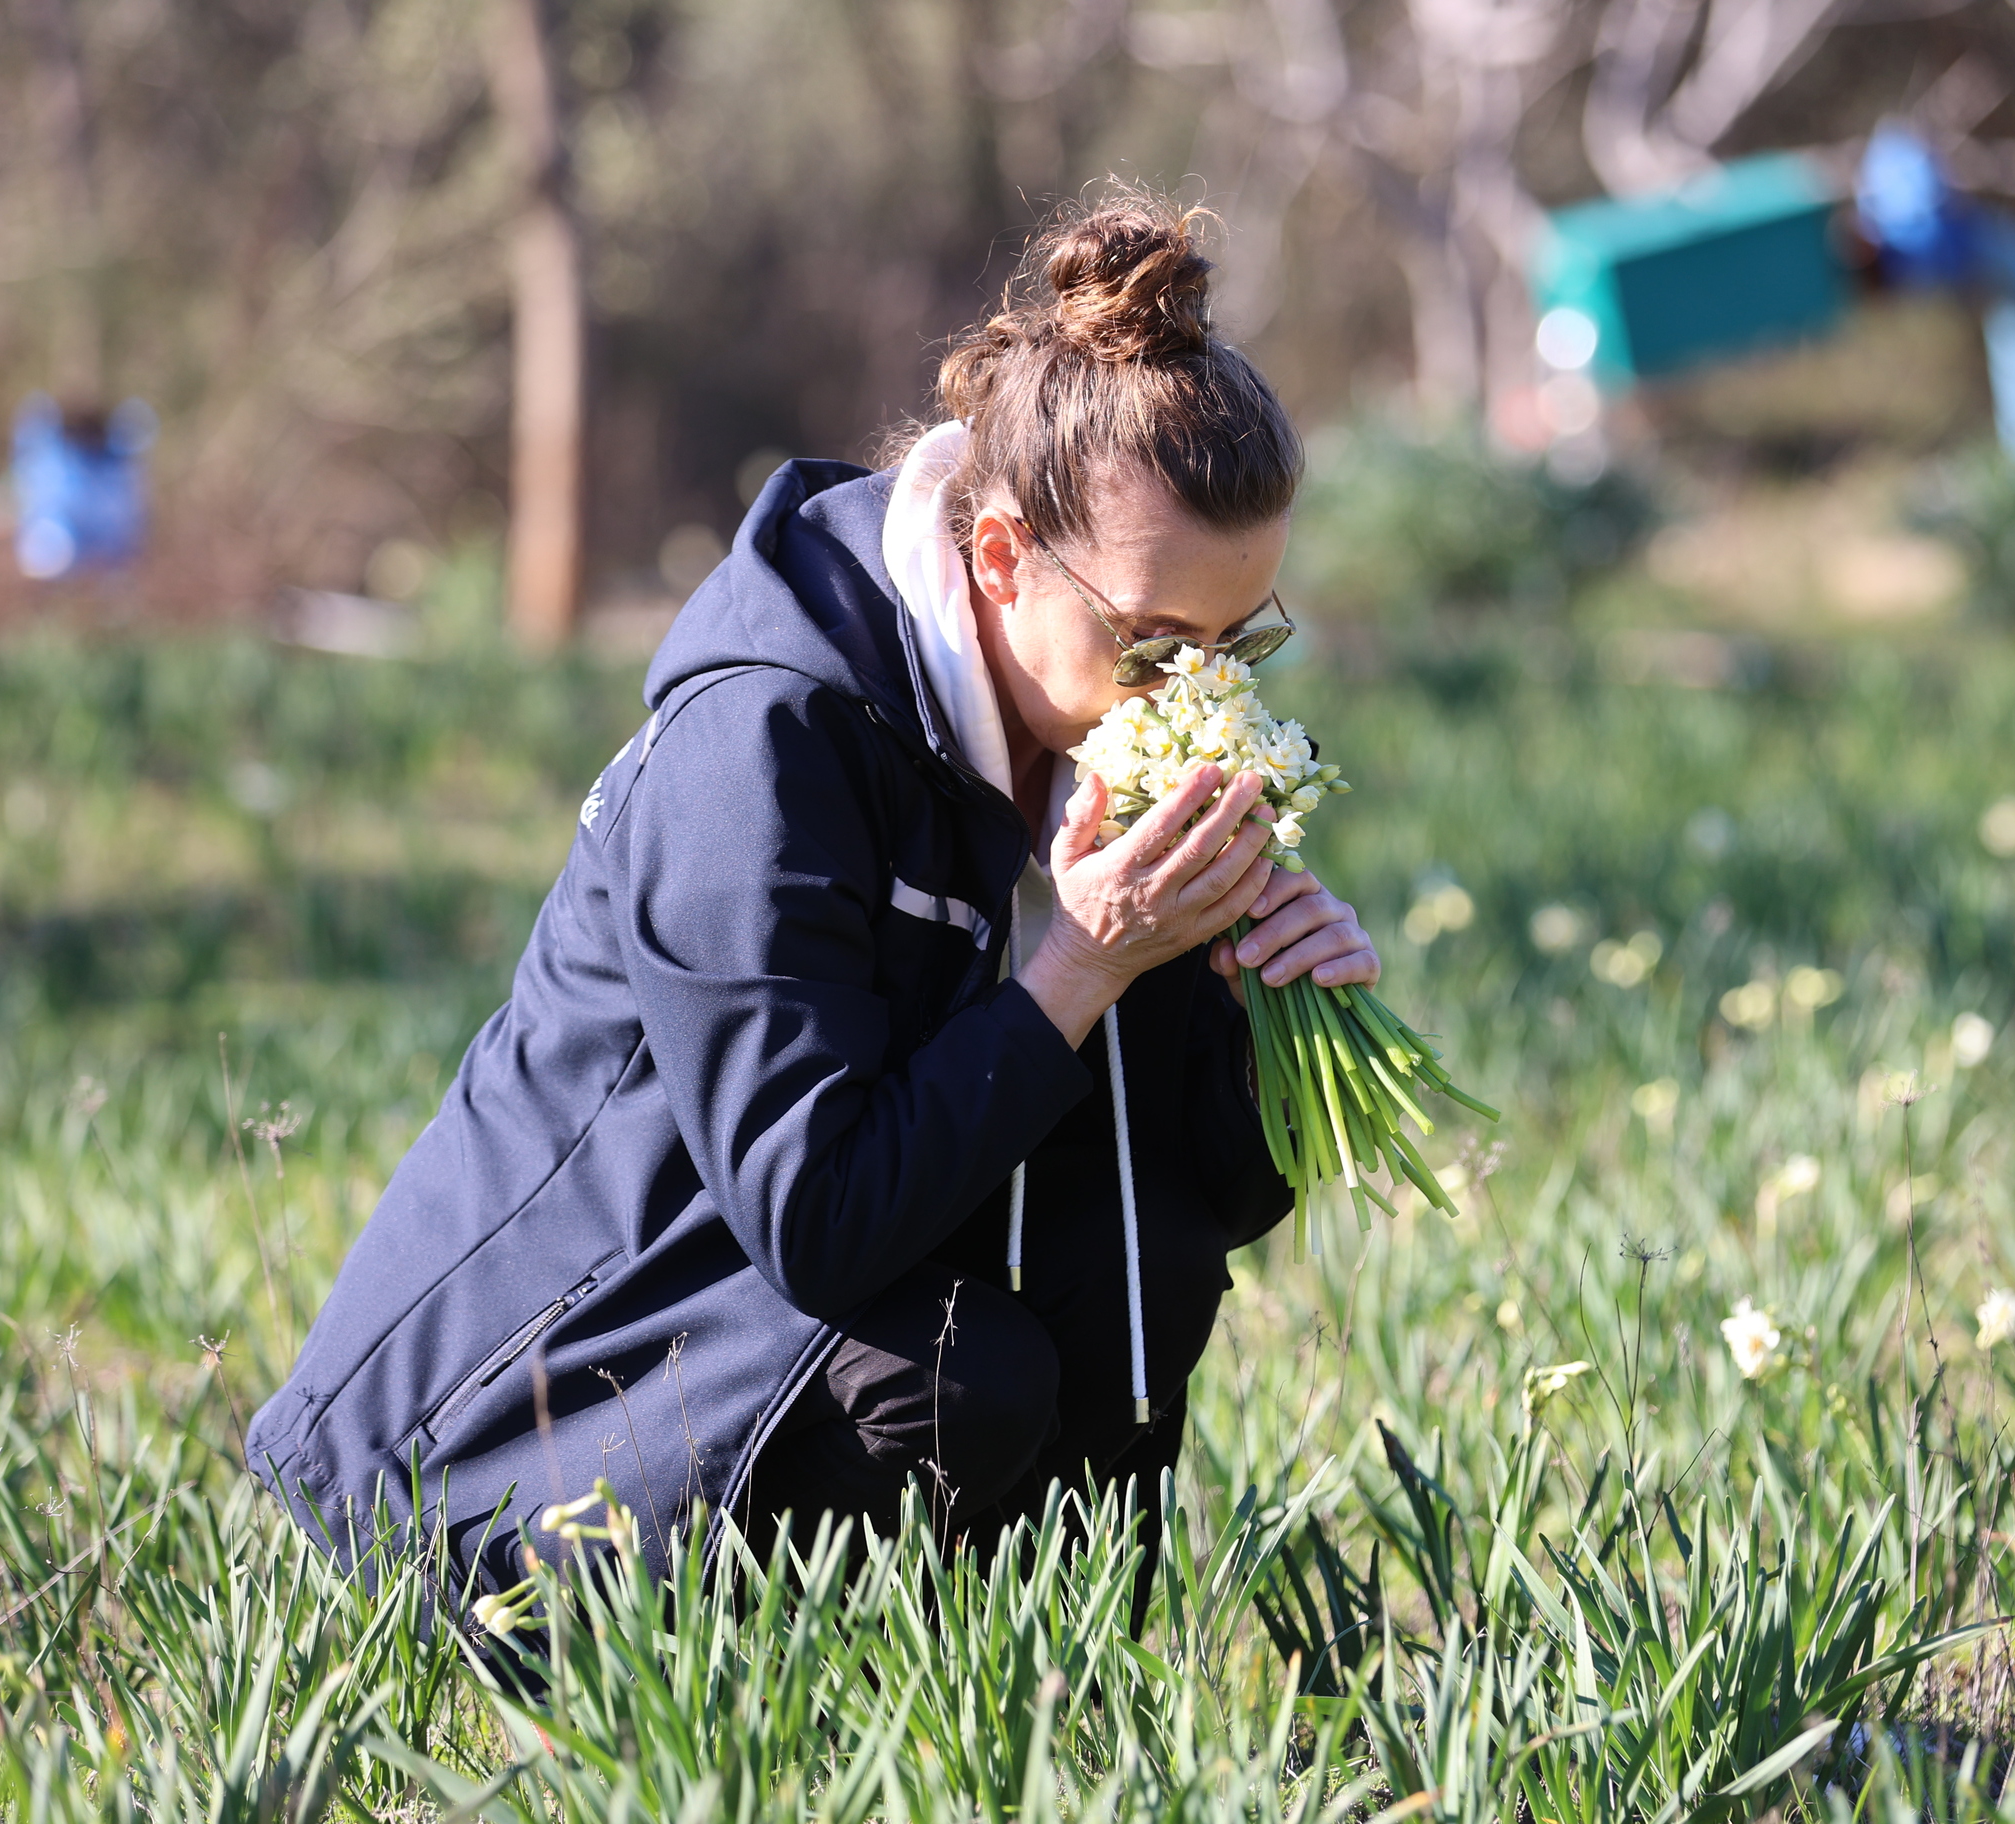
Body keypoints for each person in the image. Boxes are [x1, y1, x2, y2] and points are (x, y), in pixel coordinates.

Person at [245, 194, 1378, 1606]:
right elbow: (818, 1215)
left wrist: (1259, 1017)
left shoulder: (1085, 742)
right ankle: (721, 1707)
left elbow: (1181, 1207)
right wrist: (1081, 965)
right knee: (964, 1379)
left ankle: (1039, 1695)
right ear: (1005, 554)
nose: (1202, 691)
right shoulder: (767, 747)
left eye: (1238, 639)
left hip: (770, 1316)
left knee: (1120, 1272)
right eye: (1155, 643)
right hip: (485, 1431)